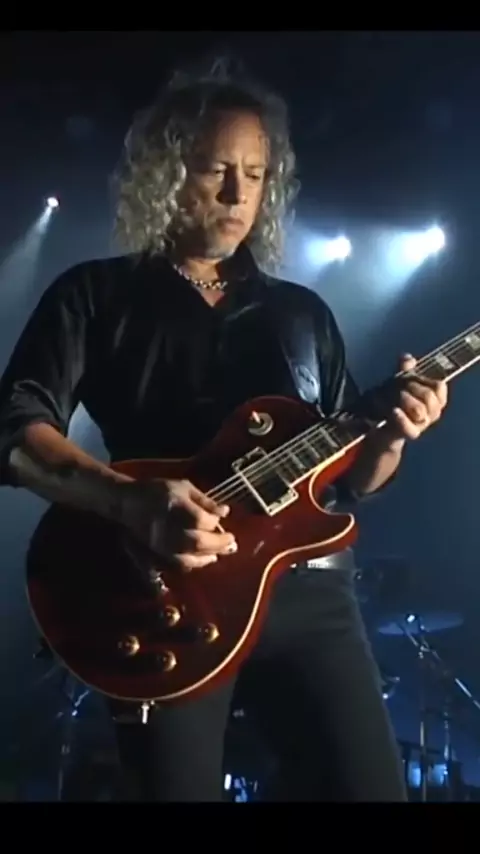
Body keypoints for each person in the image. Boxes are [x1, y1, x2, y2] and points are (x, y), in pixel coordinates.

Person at [0, 58, 448, 801]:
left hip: (311, 596)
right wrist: (128, 501)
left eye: (256, 174)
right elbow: (15, 429)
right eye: (216, 170)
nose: (239, 194)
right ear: (167, 172)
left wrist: (394, 434)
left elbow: (351, 483)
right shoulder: (95, 294)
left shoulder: (302, 314)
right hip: (161, 592)